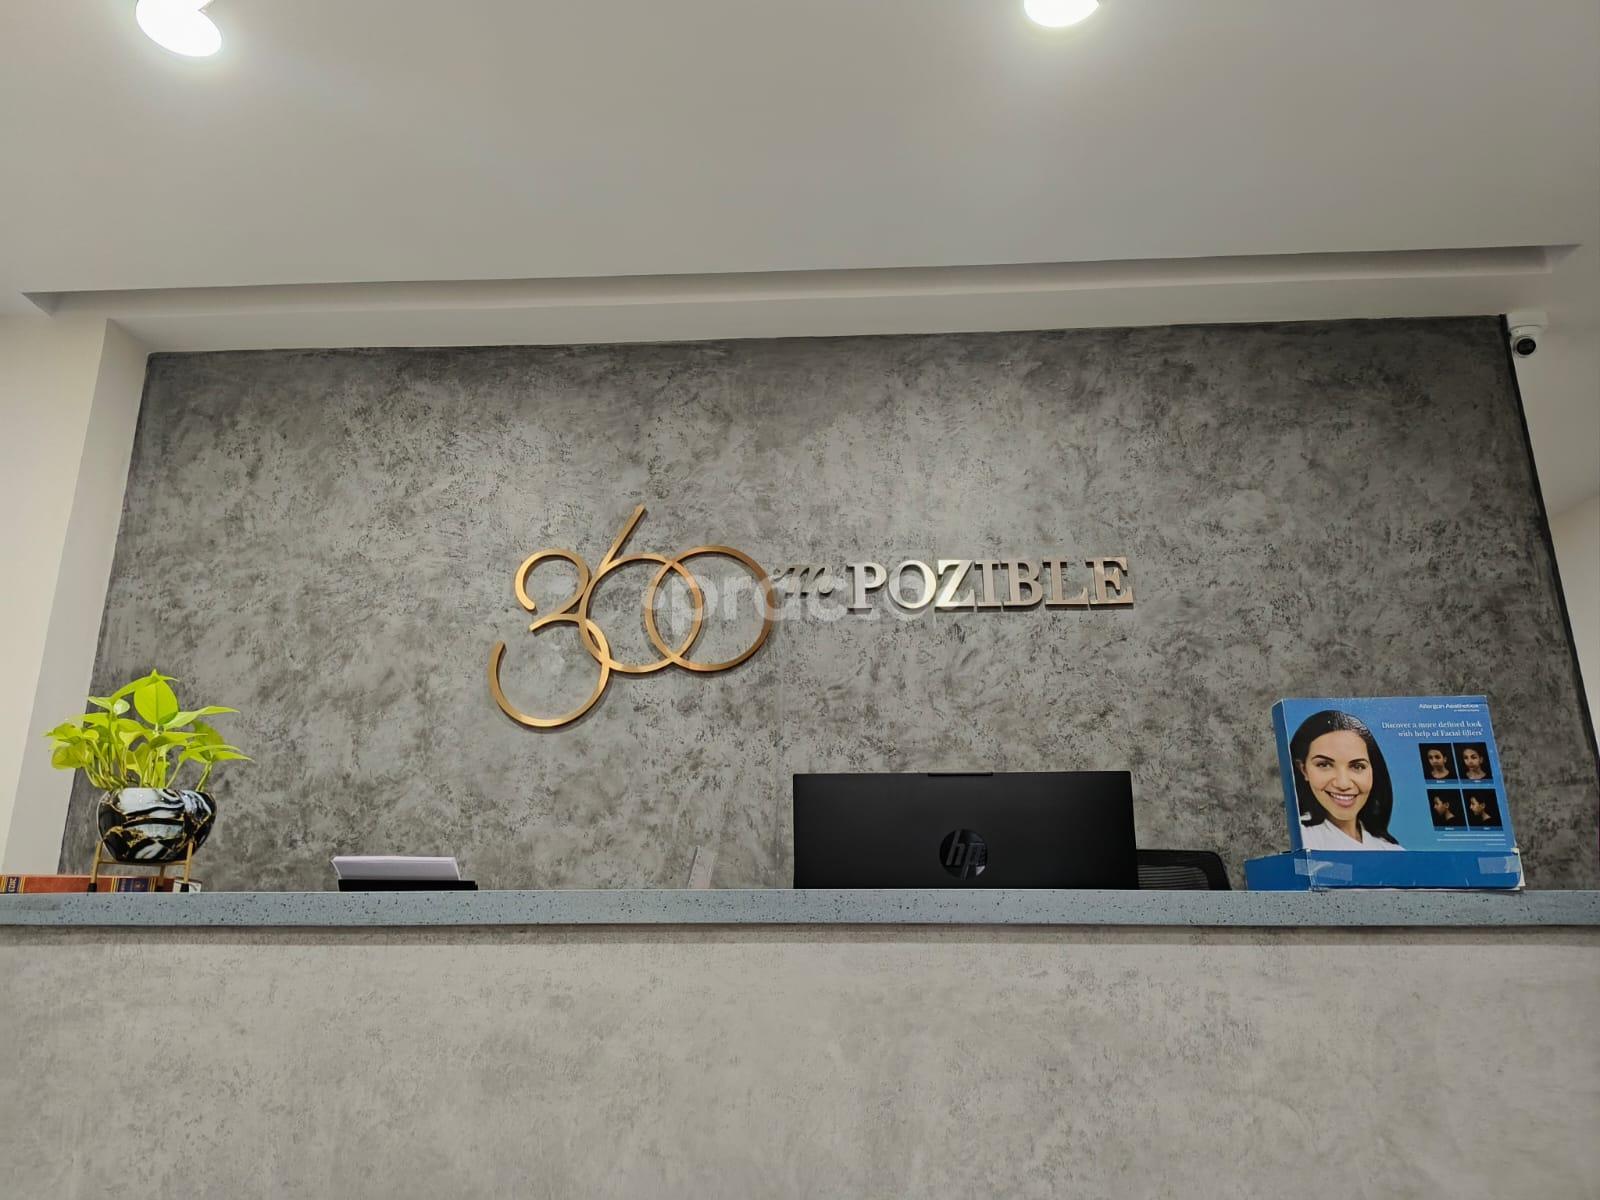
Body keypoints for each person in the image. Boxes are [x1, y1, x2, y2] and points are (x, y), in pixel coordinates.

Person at [1290, 709, 1403, 850]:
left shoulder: (1391, 849)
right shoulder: (1298, 837)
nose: (1343, 784)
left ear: (1373, 770)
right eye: (1324, 765)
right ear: (1304, 769)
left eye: (1357, 766)